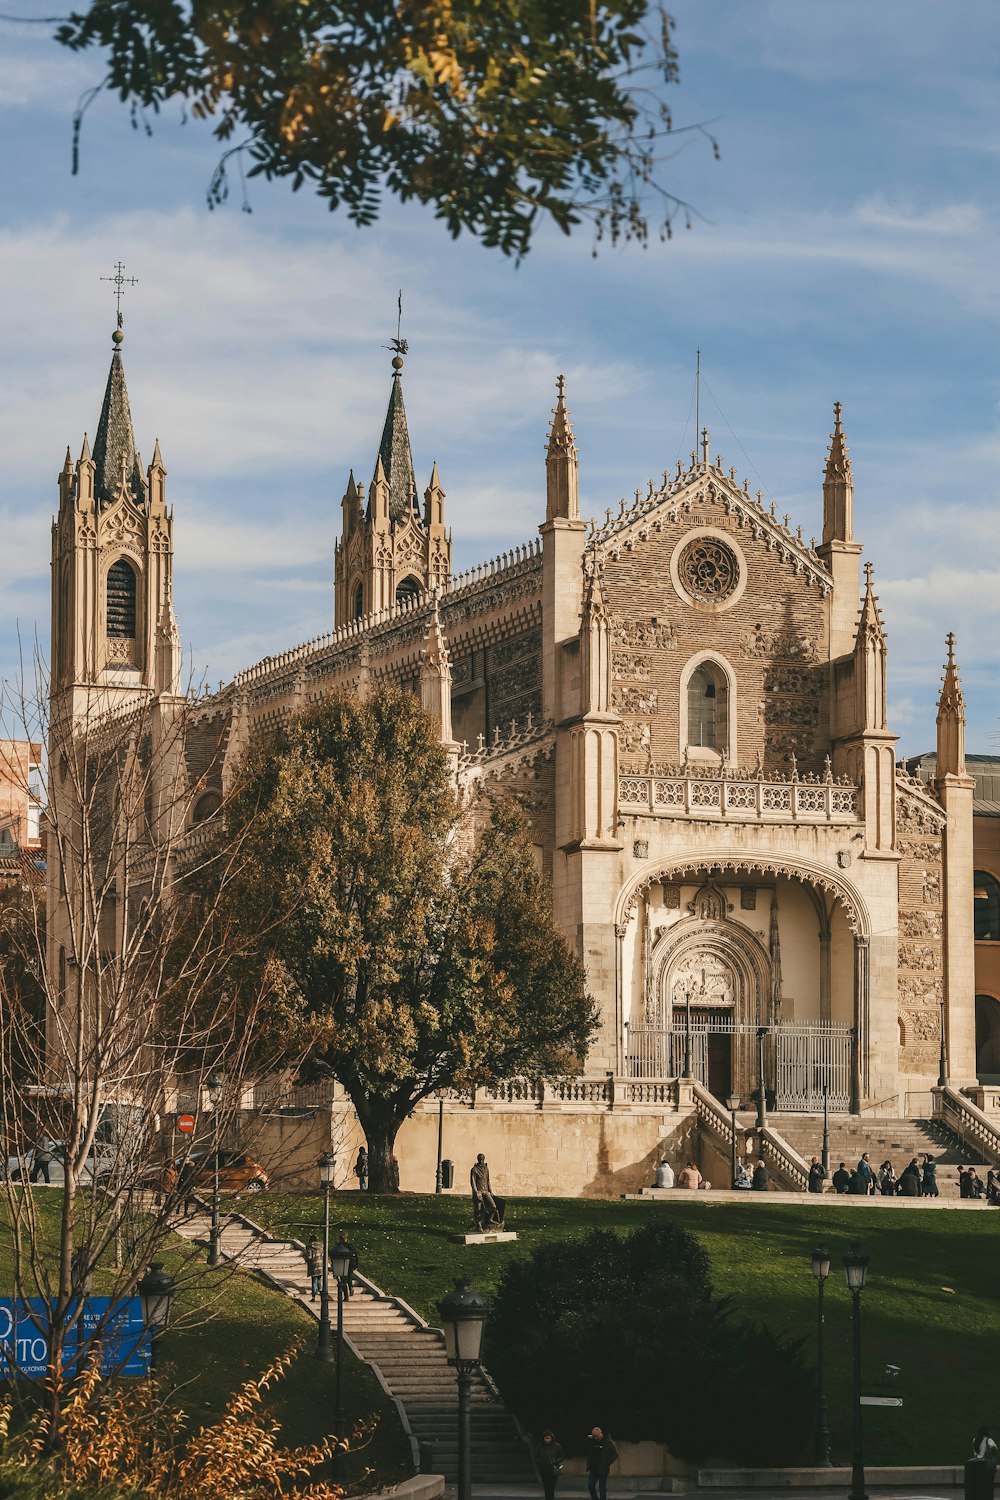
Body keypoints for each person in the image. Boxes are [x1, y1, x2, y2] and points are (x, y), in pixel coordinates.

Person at [584, 1427, 618, 1500]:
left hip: (603, 1469)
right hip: (593, 1468)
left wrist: (607, 1462)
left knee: (602, 1488)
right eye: (594, 1436)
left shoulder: (608, 1442)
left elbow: (615, 1454)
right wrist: (588, 1439)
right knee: (590, 1486)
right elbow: (585, 1448)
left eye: (597, 1436)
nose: (596, 1438)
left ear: (601, 1433)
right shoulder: (592, 1440)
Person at [965, 1425, 998, 1500]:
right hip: (985, 1465)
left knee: (978, 1485)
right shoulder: (988, 1440)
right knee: (987, 1485)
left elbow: (975, 1453)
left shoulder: (974, 1440)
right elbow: (994, 1448)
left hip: (976, 1464)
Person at [471, 1153, 501, 1229]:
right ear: (478, 1160)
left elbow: (488, 1181)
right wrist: (476, 1192)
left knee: (493, 1206)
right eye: (480, 1159)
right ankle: (478, 1224)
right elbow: (473, 1181)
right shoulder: (474, 1169)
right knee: (478, 1210)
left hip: (486, 1191)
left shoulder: (486, 1169)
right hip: (479, 1192)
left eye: (482, 1159)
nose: (481, 1161)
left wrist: (491, 1191)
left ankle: (488, 1219)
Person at [535, 1430, 565, 1500]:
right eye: (546, 1438)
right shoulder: (540, 1446)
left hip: (553, 1470)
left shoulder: (557, 1446)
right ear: (543, 1438)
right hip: (544, 1470)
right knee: (546, 1488)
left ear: (552, 1438)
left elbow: (562, 1457)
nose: (547, 1440)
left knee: (551, 1488)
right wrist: (541, 1461)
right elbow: (535, 1456)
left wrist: (555, 1461)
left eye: (549, 1438)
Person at [335, 1231, 358, 1296]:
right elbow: (355, 1256)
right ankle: (351, 1287)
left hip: (342, 1264)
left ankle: (345, 1295)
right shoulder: (350, 1246)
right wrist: (355, 1265)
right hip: (351, 1264)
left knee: (343, 1280)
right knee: (349, 1277)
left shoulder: (339, 1247)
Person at [306, 1236, 324, 1300]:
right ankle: (321, 1293)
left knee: (314, 1280)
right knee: (319, 1280)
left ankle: (313, 1296)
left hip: (313, 1265)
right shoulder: (321, 1247)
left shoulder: (310, 1247)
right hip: (320, 1265)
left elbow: (309, 1257)